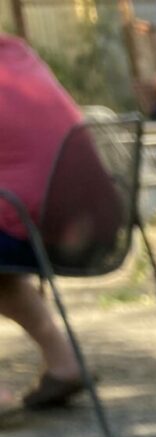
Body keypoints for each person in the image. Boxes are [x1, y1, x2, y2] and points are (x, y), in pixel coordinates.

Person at [0, 35, 89, 414]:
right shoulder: (17, 54)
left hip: (31, 225)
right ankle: (65, 364)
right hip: (91, 226)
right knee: (2, 276)